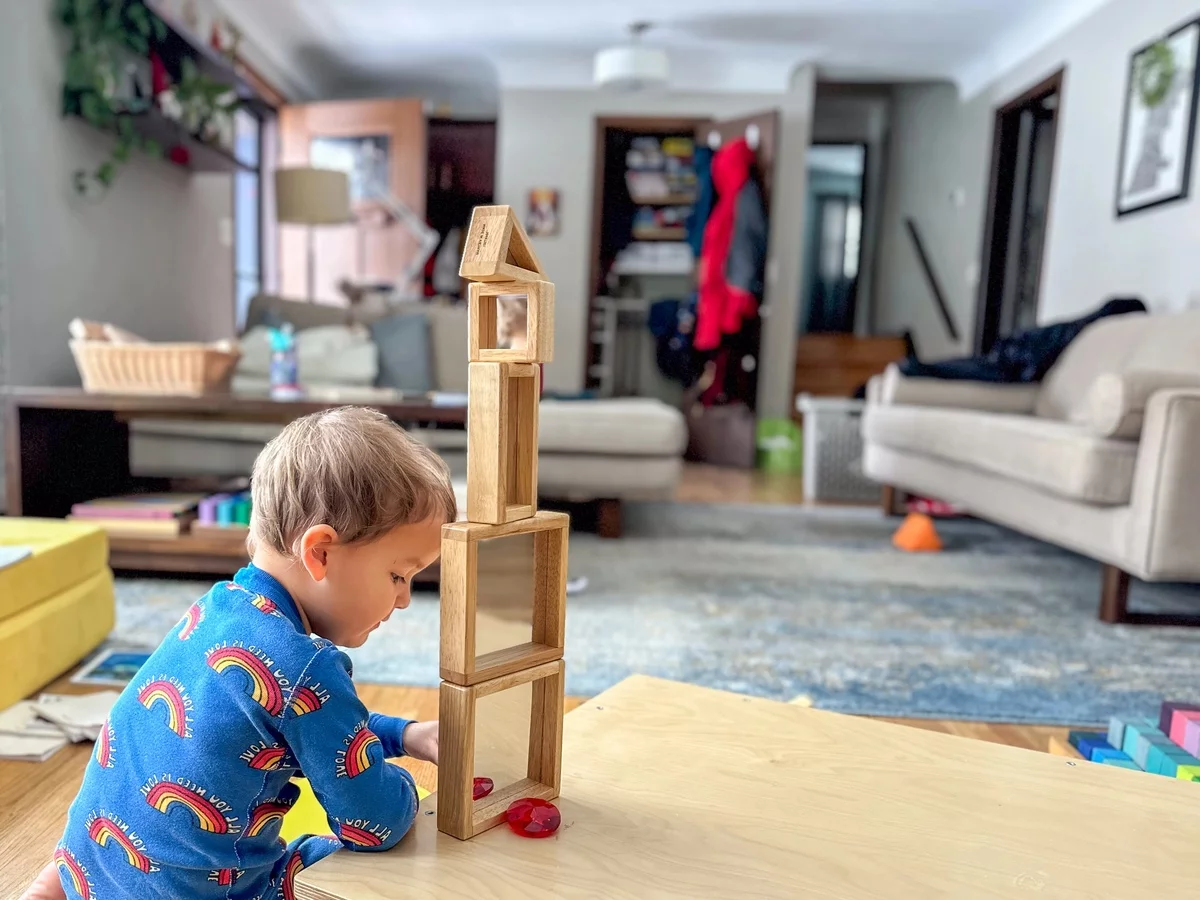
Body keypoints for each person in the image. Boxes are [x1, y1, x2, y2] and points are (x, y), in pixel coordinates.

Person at [23, 407, 455, 900]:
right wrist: (399, 786)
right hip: (199, 892)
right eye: (399, 575)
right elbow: (373, 823)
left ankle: (55, 884)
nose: (403, 598)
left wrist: (406, 735)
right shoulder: (306, 665)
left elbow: (300, 721)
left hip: (95, 861)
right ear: (321, 553)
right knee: (385, 864)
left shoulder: (219, 610)